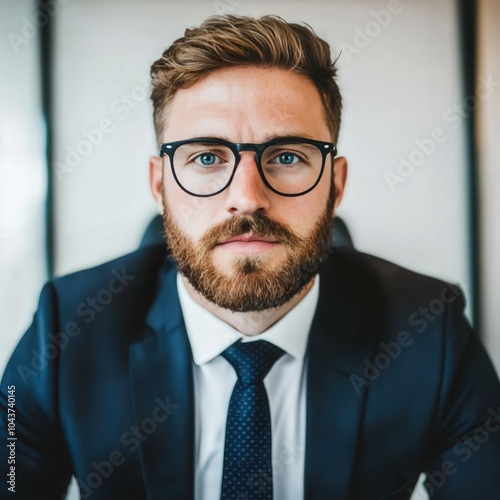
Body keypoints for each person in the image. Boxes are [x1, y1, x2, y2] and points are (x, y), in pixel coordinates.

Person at [1, 14, 500, 500]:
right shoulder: (66, 330)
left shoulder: (430, 332)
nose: (247, 196)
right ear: (160, 185)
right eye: (206, 157)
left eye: (286, 157)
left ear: (336, 183)